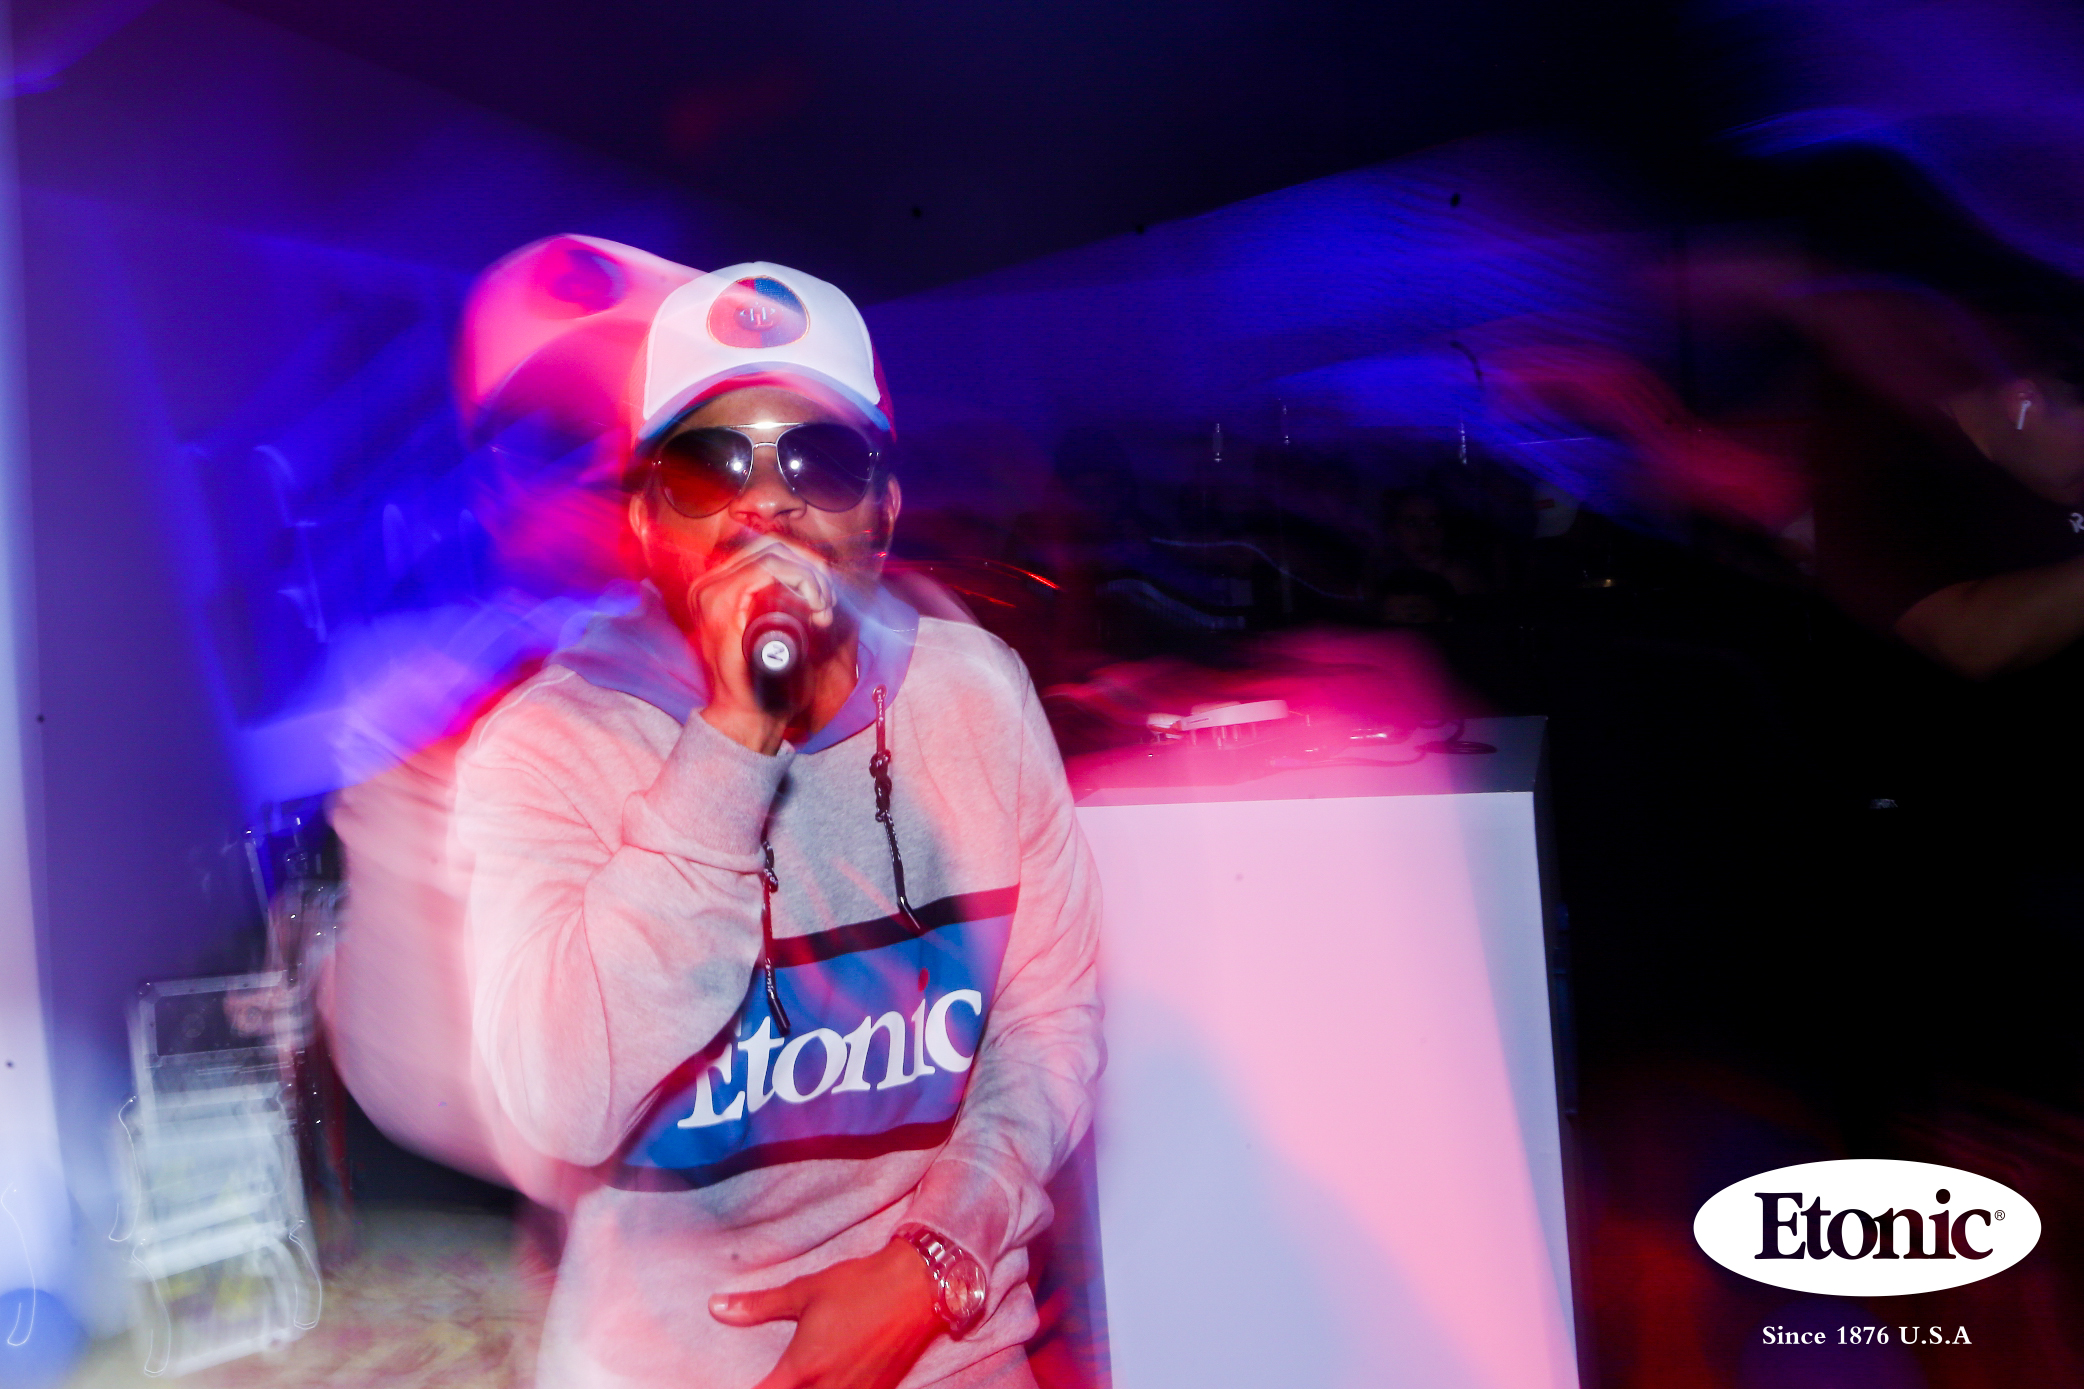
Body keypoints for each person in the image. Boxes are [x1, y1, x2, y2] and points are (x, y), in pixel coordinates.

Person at [445, 243, 1103, 1389]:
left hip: (951, 1343)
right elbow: (559, 1104)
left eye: (820, 459)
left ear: (883, 512)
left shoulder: (974, 696)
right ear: (645, 522)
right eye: (707, 466)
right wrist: (733, 739)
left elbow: (1048, 1020)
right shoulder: (549, 749)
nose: (765, 503)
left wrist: (931, 1261)